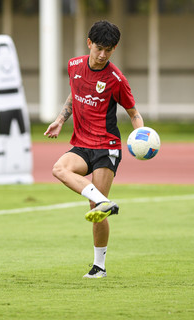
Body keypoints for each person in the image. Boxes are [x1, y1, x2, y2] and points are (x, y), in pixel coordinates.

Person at [44, 20, 144, 279]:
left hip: (106, 147)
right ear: (89, 43)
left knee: (95, 210)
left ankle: (99, 267)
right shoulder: (74, 65)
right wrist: (60, 119)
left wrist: (141, 134)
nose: (102, 55)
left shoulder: (116, 79)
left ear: (114, 49)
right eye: (99, 48)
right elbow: (74, 93)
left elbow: (133, 113)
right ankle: (103, 200)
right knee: (59, 169)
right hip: (81, 143)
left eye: (109, 50)